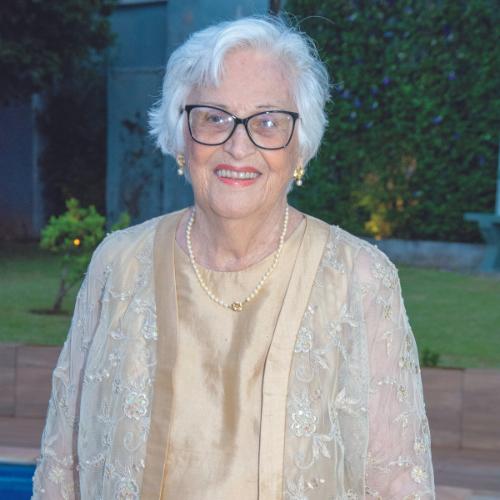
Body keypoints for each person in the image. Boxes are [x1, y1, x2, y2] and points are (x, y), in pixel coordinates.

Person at [32, 15, 435, 500]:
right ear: (182, 135)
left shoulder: (360, 278)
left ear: (299, 147)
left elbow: (397, 480)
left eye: (268, 121)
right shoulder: (117, 264)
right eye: (214, 117)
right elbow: (62, 464)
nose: (238, 145)